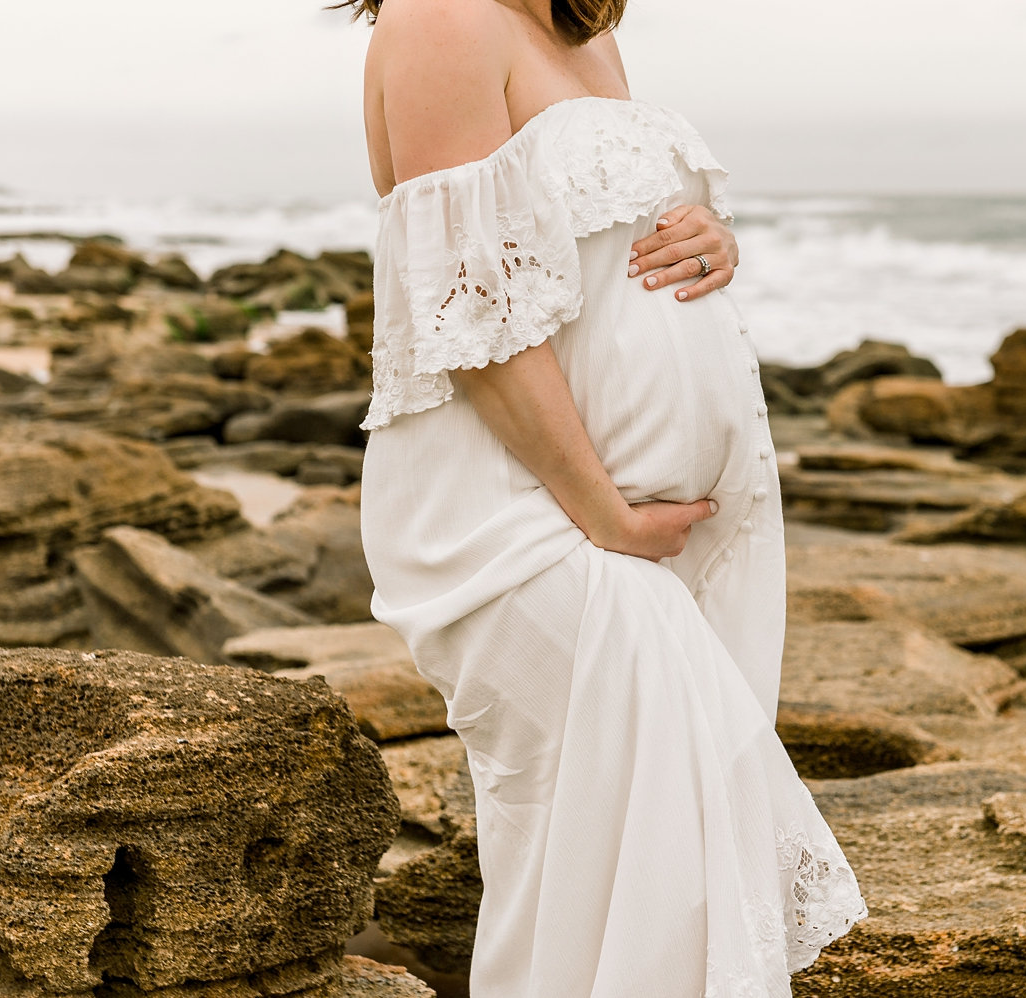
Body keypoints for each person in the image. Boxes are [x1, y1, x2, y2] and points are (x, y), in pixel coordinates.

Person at [345, 0, 867, 994]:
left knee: (595, 854)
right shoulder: (441, 18)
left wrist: (708, 238)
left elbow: (592, 255)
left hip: (601, 519)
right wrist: (603, 509)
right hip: (514, 514)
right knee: (674, 829)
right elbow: (471, 311)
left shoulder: (582, 30)